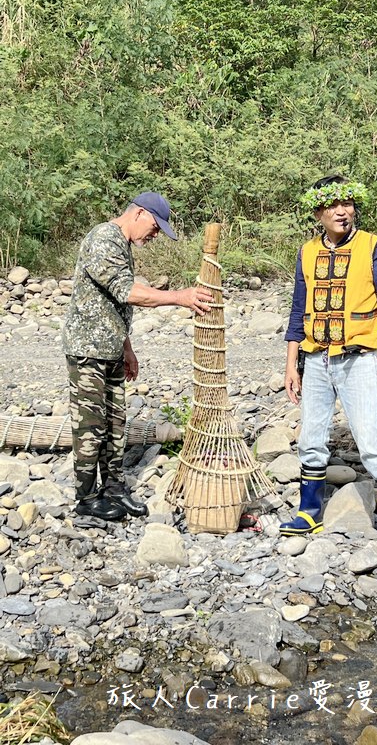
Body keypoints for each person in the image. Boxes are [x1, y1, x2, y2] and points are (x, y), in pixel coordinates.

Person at [279, 174, 377, 555]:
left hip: (358, 361)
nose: (343, 211)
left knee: (370, 440)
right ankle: (309, 510)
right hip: (316, 360)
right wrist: (292, 365)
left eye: (348, 204)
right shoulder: (307, 252)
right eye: (334, 205)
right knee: (310, 437)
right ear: (318, 212)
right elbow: (296, 313)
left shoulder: (374, 247)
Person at [62, 191, 212, 521]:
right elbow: (127, 291)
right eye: (156, 227)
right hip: (88, 350)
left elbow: (112, 304)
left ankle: (113, 488)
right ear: (139, 213)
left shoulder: (121, 244)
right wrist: (181, 297)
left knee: (115, 424)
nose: (155, 234)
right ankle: (85, 499)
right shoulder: (104, 237)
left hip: (111, 347)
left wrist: (127, 348)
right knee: (90, 427)